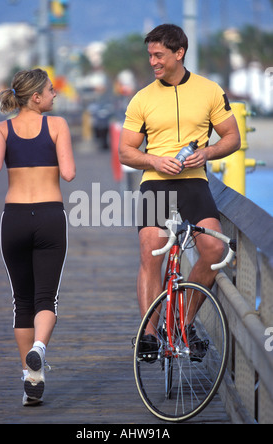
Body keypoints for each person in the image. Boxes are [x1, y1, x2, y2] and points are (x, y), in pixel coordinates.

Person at [119, 24, 240, 357]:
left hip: (194, 182)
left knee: (215, 250)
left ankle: (184, 324)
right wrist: (155, 160)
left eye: (159, 55)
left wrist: (208, 152)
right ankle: (148, 334)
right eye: (150, 56)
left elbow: (232, 138)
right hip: (156, 184)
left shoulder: (209, 91)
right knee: (150, 252)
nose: (153, 62)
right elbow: (125, 151)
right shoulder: (142, 98)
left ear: (179, 52)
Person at [0, 68, 76, 405]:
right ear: (36, 97)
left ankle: (31, 380)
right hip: (49, 216)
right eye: (50, 90)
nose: (54, 94)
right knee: (47, 299)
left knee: (22, 302)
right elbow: (71, 173)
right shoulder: (57, 126)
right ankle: (40, 349)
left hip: (14, 218)